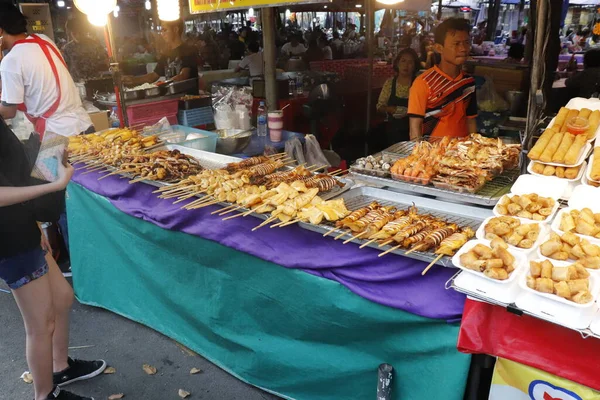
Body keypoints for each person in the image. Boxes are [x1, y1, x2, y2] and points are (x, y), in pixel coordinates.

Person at [0, 7, 106, 400]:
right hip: (71, 133)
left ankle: (60, 367)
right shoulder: (42, 43)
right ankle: (46, 392)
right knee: (40, 319)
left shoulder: (13, 60)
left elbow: (10, 111)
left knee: (61, 294)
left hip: (53, 142)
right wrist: (46, 191)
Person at [408, 18, 477, 140]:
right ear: (439, 48)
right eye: (456, 44)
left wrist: (475, 146)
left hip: (463, 152)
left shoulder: (468, 82)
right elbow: (415, 128)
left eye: (466, 42)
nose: (463, 48)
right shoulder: (423, 83)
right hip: (434, 154)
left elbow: (470, 121)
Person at [369, 49, 420, 152]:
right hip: (393, 132)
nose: (406, 65)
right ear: (397, 63)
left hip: (414, 133)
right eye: (403, 61)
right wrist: (390, 109)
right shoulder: (390, 83)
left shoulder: (419, 84)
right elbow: (379, 106)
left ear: (415, 66)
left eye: (410, 62)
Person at [123, 19, 199, 87]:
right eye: (161, 31)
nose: (162, 34)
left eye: (165, 30)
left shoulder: (188, 50)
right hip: (173, 97)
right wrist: (133, 79)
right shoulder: (166, 54)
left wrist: (165, 83)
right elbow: (153, 76)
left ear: (175, 29)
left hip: (188, 97)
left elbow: (183, 75)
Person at [61, 17, 108, 82]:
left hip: (95, 80)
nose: (77, 35)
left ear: (84, 32)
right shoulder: (67, 48)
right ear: (70, 33)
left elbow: (105, 60)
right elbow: (65, 67)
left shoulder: (94, 45)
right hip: (77, 83)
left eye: (80, 32)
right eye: (74, 33)